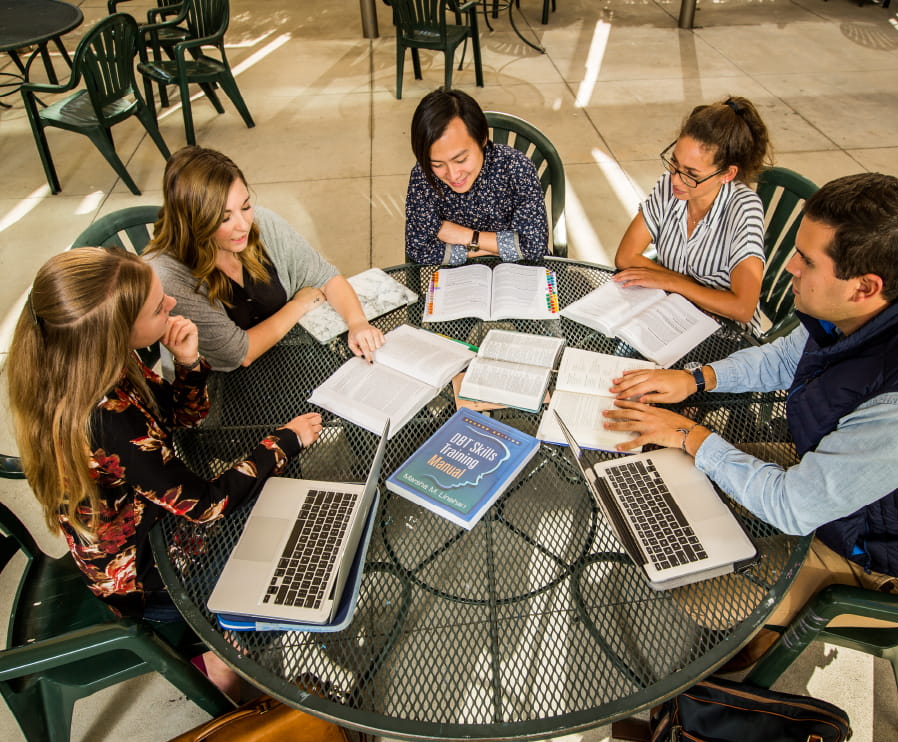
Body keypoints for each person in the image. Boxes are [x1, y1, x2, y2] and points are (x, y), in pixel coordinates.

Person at [604, 173, 898, 667]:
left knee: (688, 583)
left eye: (807, 261)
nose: (787, 266)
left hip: (879, 559)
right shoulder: (892, 300)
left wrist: (689, 434)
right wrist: (694, 378)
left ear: (864, 286)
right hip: (840, 485)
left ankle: (737, 658)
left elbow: (793, 507)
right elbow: (782, 359)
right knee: (659, 465)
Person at [7, 248, 326, 697]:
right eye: (159, 308)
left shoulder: (96, 361)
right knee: (290, 564)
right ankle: (220, 656)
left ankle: (227, 641)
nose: (172, 305)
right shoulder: (106, 419)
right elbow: (208, 505)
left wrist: (189, 362)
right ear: (116, 331)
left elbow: (181, 419)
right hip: (144, 577)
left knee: (281, 509)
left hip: (155, 520)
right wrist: (283, 442)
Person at [146, 146, 384, 372]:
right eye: (224, 218)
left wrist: (357, 323)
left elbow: (325, 277)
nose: (244, 225)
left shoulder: (261, 223)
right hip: (222, 386)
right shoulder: (170, 276)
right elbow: (239, 353)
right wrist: (299, 304)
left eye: (246, 206)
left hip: (287, 354)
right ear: (193, 222)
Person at [613, 96, 772, 330]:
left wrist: (670, 281)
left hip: (724, 332)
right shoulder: (669, 186)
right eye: (674, 163)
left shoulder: (744, 210)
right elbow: (625, 257)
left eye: (691, 174)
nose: (676, 179)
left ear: (727, 174)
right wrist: (688, 287)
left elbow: (742, 308)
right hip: (671, 313)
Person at [405, 88, 549, 265]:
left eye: (461, 159)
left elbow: (535, 247)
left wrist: (466, 236)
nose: (453, 175)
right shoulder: (422, 176)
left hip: (521, 273)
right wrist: (503, 247)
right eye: (437, 164)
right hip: (456, 278)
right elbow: (418, 249)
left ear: (482, 139)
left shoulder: (516, 168)